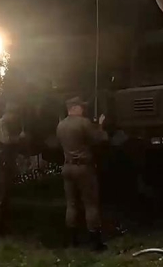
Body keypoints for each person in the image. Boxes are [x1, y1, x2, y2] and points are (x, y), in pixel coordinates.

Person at [55, 95, 109, 250]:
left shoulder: (61, 125)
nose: (83, 109)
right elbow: (99, 139)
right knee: (90, 204)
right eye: (81, 106)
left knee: (71, 204)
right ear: (75, 108)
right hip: (83, 168)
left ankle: (72, 240)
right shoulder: (84, 123)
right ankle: (95, 242)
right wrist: (100, 125)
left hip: (67, 167)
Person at [0, 109, 24, 232]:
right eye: (14, 115)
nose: (15, 118)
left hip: (5, 163)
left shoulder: (6, 125)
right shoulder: (0, 125)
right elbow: (6, 140)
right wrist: (20, 138)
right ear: (9, 113)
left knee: (3, 191)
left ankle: (1, 221)